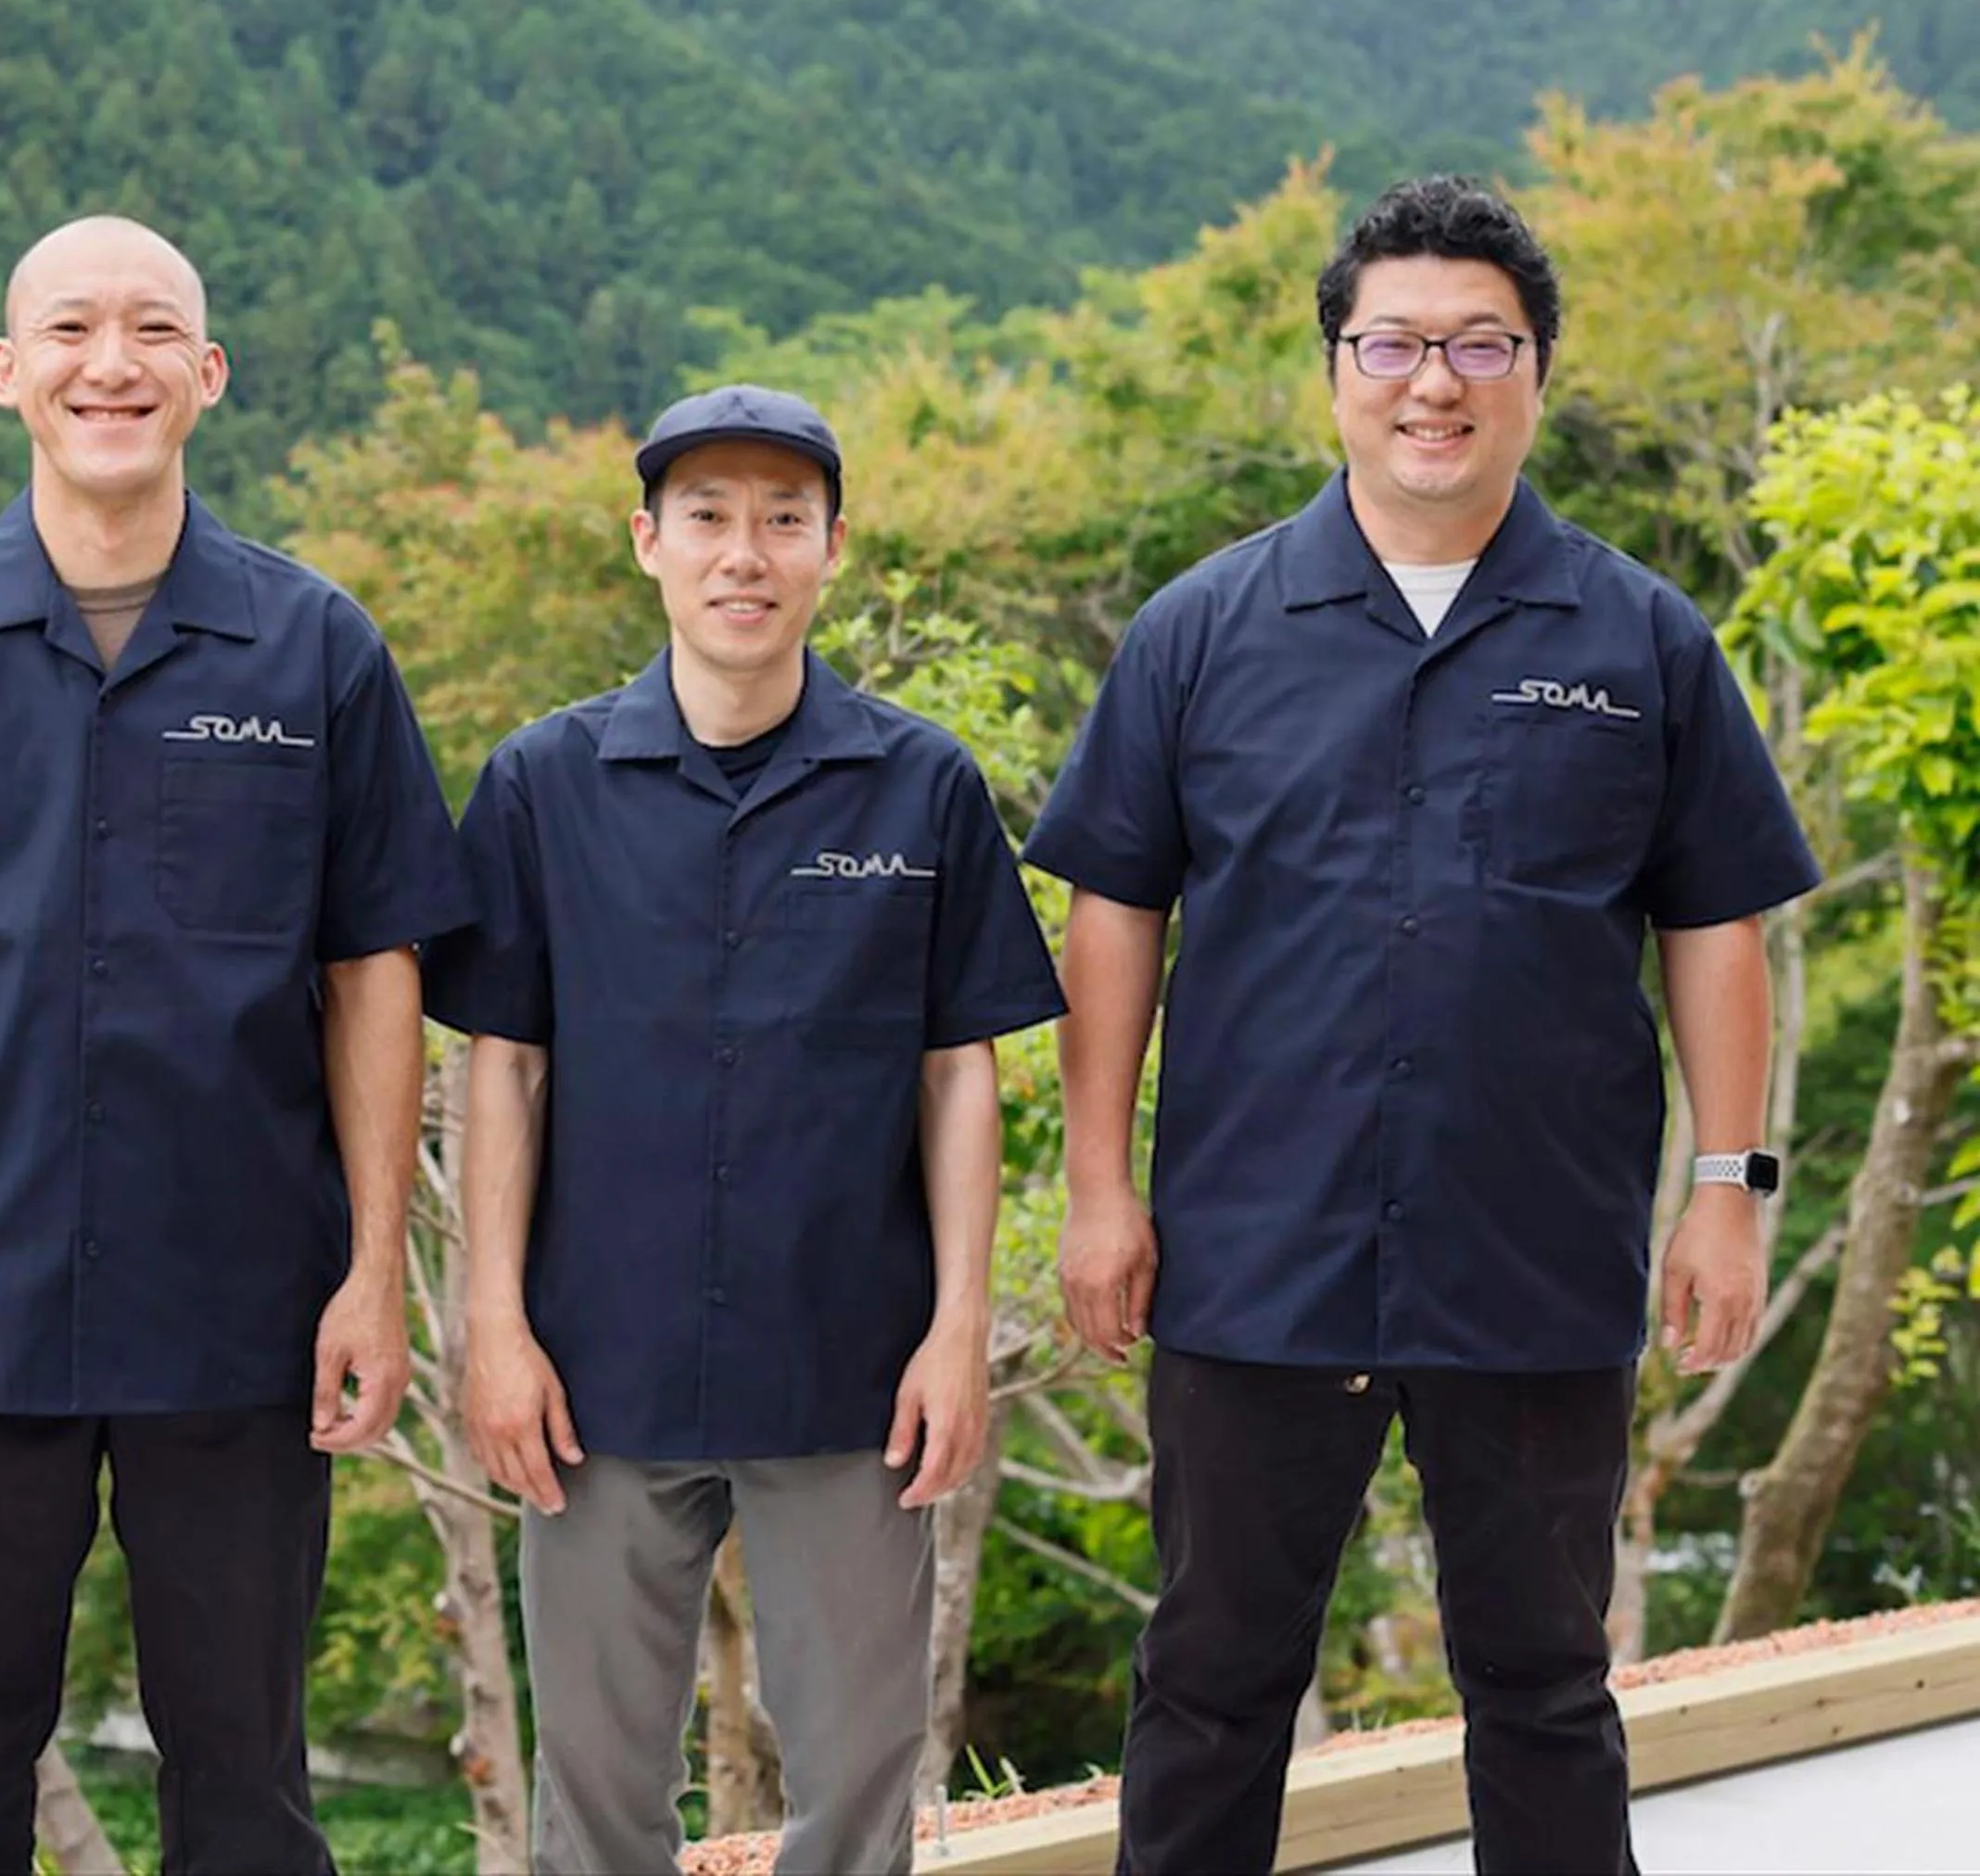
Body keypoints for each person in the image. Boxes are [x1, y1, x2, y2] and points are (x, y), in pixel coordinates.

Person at [1023, 176, 1820, 1875]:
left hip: (1531, 1258)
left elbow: (1715, 923)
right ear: (1336, 370)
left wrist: (1732, 1186)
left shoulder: (1642, 640)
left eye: (1480, 343)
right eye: (1393, 342)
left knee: (1541, 1685)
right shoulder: (1202, 633)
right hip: (1254, 1254)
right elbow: (1115, 916)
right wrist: (1102, 1187)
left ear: (1538, 373)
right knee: (1216, 1677)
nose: (1432, 381)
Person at [0, 216, 472, 1876]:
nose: (106, 364)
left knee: (251, 1790)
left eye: (148, 333)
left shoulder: (315, 649)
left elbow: (375, 977)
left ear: (206, 375)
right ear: (7, 372)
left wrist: (373, 1274)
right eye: (66, 331)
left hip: (243, 1309)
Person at [425, 385, 1066, 1875]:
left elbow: (954, 1069)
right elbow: (499, 1069)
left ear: (833, 549)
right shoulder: (541, 784)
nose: (746, 552)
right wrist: (494, 1325)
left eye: (785, 519)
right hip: (598, 1369)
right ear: (647, 542)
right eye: (708, 517)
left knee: (856, 1790)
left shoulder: (922, 784)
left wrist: (958, 1327)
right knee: (594, 1796)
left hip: (850, 1368)